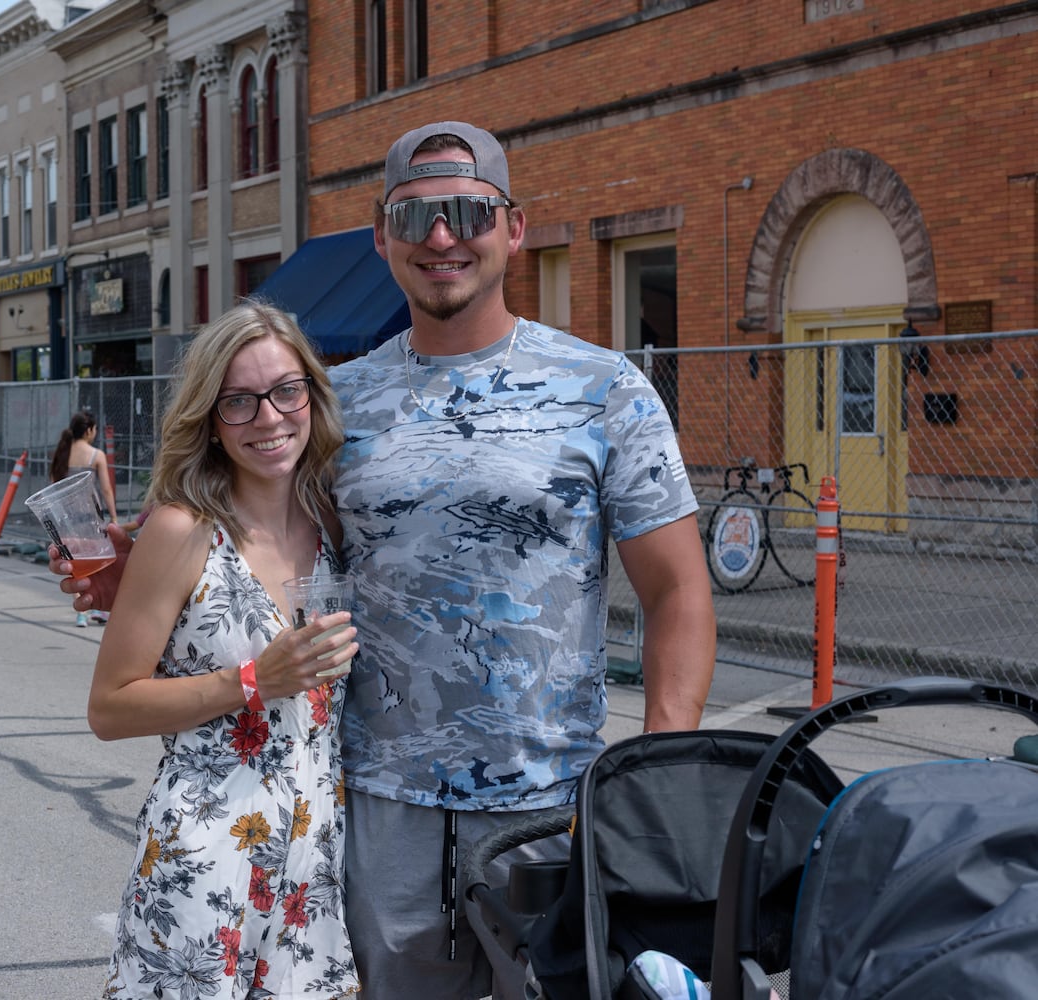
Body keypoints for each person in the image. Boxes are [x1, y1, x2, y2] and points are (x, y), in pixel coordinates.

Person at [56, 121, 717, 999]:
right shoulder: (337, 403)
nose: (441, 238)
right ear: (382, 240)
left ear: (512, 228)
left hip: (553, 807)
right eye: (414, 218)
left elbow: (678, 592)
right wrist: (145, 574)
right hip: (375, 811)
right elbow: (260, 535)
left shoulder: (606, 392)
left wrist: (652, 781)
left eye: (466, 212)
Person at [92, 300, 360, 1000]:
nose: (269, 419)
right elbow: (110, 707)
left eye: (285, 391)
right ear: (210, 418)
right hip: (206, 860)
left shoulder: (331, 517)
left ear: (311, 393)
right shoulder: (182, 530)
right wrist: (251, 679)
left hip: (313, 863)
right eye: (239, 402)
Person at [50, 411, 118, 627]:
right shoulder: (95, 455)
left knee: (73, 564)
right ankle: (97, 606)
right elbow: (106, 489)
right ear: (89, 430)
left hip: (66, 517)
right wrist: (113, 516)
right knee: (96, 559)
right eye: (94, 429)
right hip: (90, 515)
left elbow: (54, 484)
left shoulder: (62, 452)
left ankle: (81, 612)